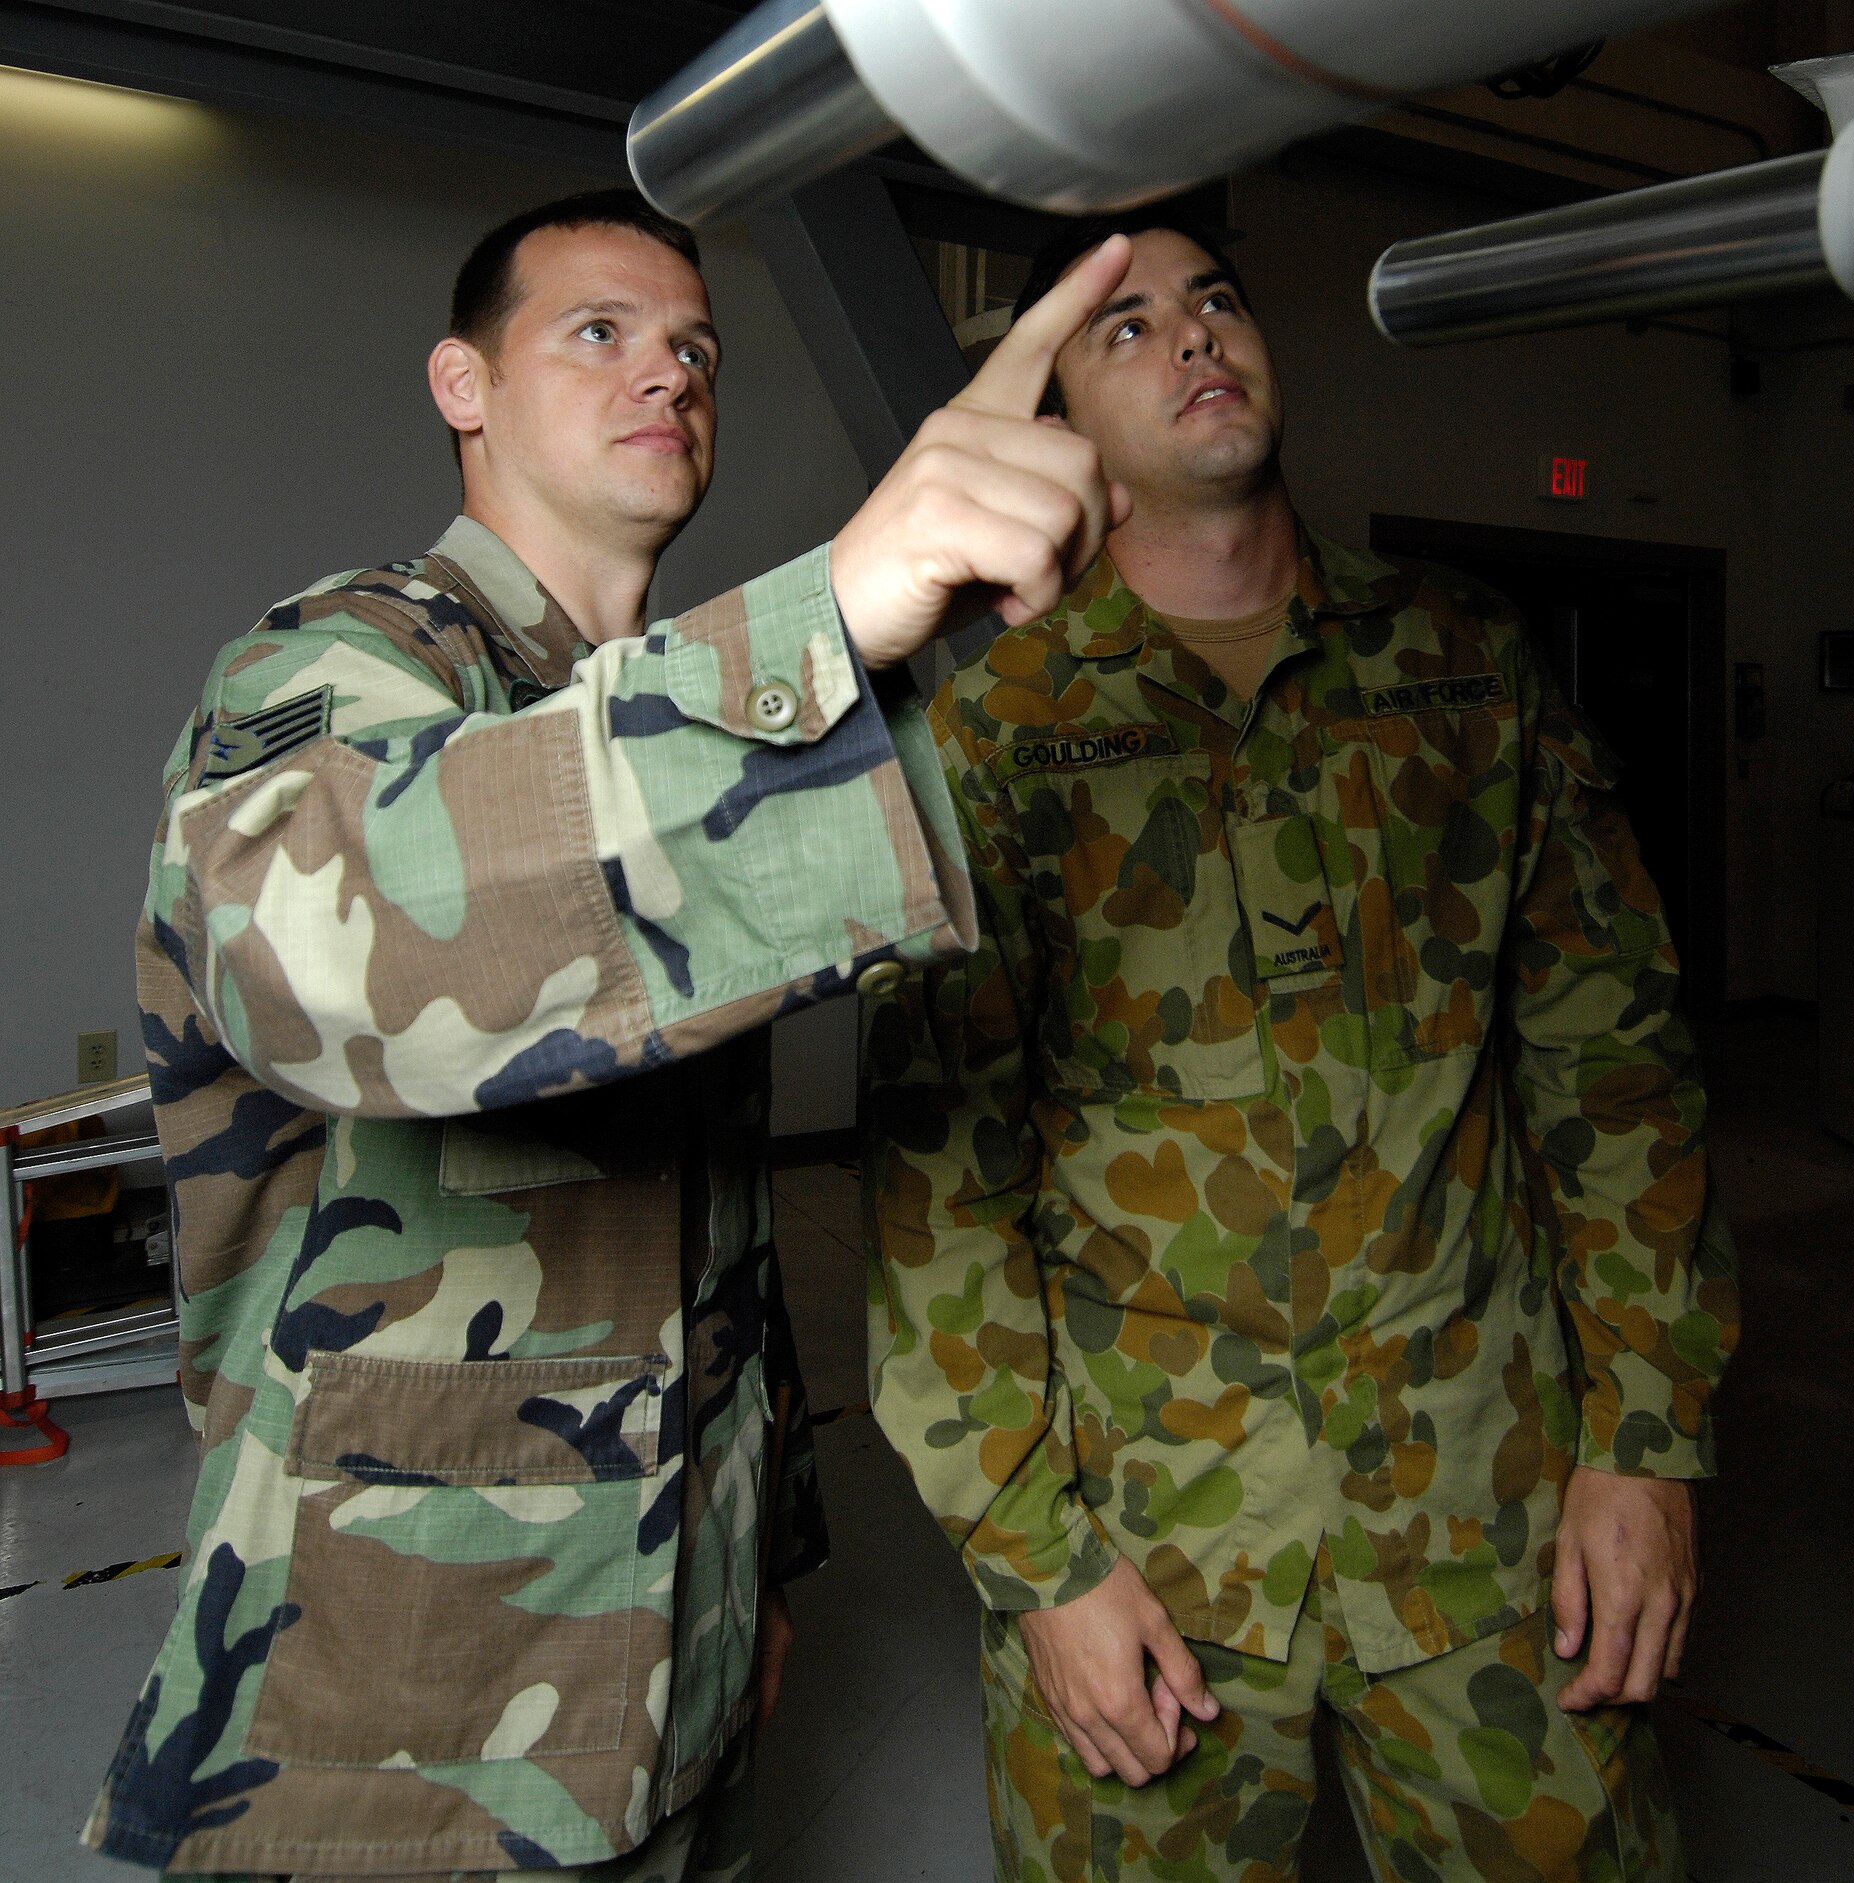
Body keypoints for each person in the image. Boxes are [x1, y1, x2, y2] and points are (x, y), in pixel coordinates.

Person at [84, 191, 1135, 1881]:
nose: (670, 373)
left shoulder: (675, 708)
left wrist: (749, 1563)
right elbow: (316, 949)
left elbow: (707, 1211)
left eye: (695, 348)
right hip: (402, 1697)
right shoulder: (350, 653)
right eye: (600, 333)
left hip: (668, 1645)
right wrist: (821, 622)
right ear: (463, 386)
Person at [861, 212, 1741, 1882]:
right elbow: (939, 1195)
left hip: (1491, 1520)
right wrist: (1034, 1561)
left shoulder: (1465, 673)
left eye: (1218, 303)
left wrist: (1647, 1439)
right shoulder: (997, 742)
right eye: (1127, 331)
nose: (1196, 337)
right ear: (1060, 432)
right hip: (1154, 1550)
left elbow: (1613, 1073)